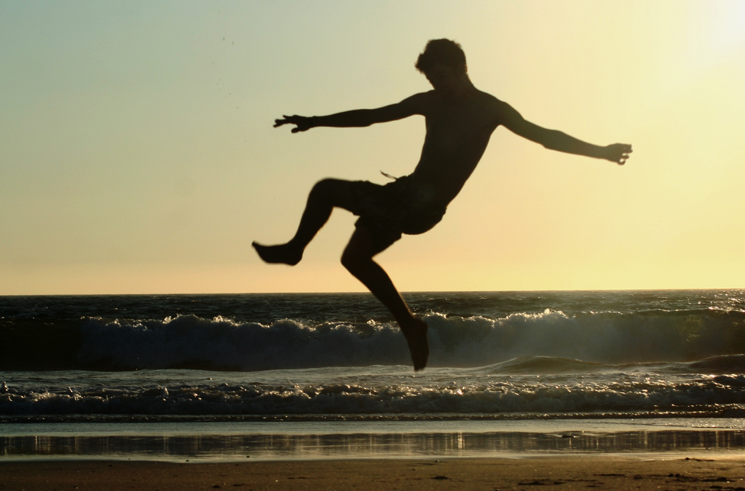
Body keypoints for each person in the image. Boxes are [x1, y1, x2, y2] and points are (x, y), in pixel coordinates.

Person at [253, 39, 632, 371]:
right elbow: (372, 117)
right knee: (353, 258)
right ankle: (411, 325)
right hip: (402, 197)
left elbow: (545, 137)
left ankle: (294, 251)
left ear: (462, 69)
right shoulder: (429, 102)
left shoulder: (491, 109)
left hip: (420, 209)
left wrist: (601, 152)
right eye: (433, 80)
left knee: (326, 191)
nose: (438, 86)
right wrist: (315, 121)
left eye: (443, 77)